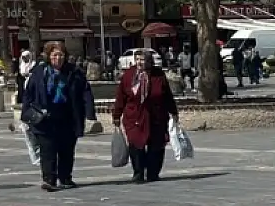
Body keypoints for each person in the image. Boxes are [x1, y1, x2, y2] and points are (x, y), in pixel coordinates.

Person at [20, 41, 97, 192]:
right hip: (45, 117)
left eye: (61, 55)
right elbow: (28, 93)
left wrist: (89, 113)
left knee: (66, 149)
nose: (58, 58)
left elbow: (85, 92)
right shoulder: (40, 72)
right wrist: (26, 112)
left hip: (68, 116)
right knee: (47, 150)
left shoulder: (74, 72)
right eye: (55, 55)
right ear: (48, 56)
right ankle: (49, 179)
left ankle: (65, 177)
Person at [112, 50, 178, 184]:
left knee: (156, 145)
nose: (139, 62)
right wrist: (117, 115)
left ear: (149, 61)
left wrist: (173, 112)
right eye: (137, 59)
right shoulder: (129, 75)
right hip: (135, 116)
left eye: (142, 60)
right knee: (136, 143)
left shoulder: (158, 75)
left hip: (156, 116)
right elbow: (121, 97)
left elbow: (167, 96)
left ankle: (153, 172)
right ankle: (138, 172)